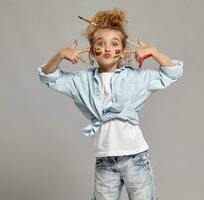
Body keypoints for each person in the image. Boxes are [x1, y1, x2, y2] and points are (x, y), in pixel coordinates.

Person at [37, 8, 183, 200]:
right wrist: (60, 54)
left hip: (135, 157)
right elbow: (49, 77)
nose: (107, 49)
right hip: (105, 160)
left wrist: (154, 53)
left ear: (122, 52)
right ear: (91, 51)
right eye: (100, 44)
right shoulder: (82, 82)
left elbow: (172, 73)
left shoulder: (135, 78)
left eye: (114, 44)